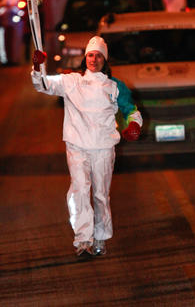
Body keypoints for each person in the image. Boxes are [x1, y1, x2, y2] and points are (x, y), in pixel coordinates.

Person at [31, 36, 143, 257]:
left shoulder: (114, 86)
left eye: (98, 55)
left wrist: (134, 125)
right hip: (77, 145)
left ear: (104, 59)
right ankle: (83, 238)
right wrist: (37, 66)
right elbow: (42, 84)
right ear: (85, 58)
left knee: (101, 194)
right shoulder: (71, 82)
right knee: (79, 190)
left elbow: (131, 109)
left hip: (103, 146)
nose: (94, 59)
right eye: (91, 55)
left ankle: (100, 237)